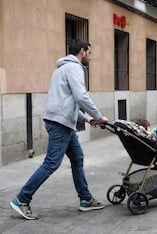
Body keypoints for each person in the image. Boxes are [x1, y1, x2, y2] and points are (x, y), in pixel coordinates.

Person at [9, 40, 108, 220]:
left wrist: (87, 118)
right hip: (60, 123)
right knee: (51, 163)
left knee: (77, 159)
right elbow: (81, 96)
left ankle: (85, 199)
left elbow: (67, 101)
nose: (91, 57)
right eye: (90, 53)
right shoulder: (74, 68)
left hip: (62, 122)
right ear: (83, 51)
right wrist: (99, 115)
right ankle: (22, 199)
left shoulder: (61, 69)